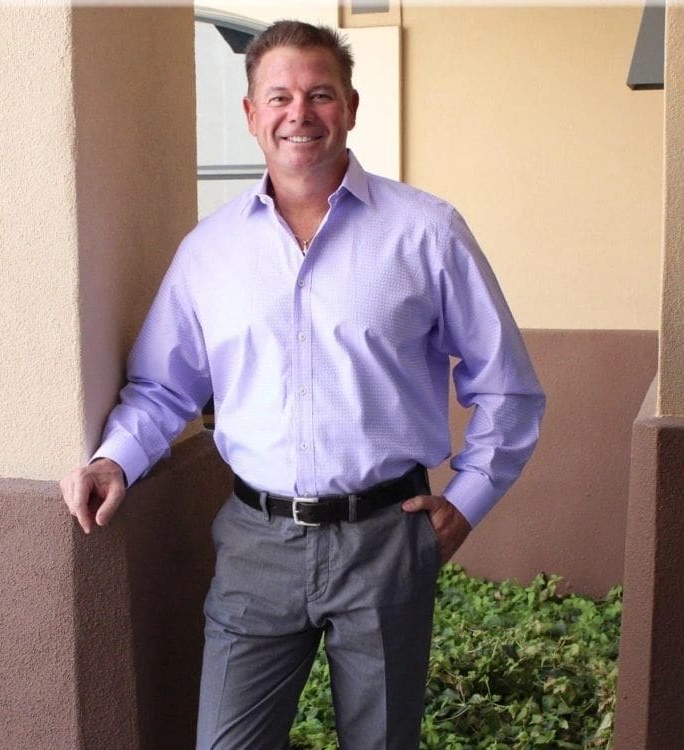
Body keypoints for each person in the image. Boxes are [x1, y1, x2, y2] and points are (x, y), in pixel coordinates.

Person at [60, 20, 545, 750]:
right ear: (252, 115)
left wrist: (469, 498)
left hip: (387, 539)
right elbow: (163, 387)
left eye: (320, 94)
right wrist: (114, 460)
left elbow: (506, 387)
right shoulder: (209, 254)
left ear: (350, 106)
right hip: (257, 544)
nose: (300, 113)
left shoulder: (427, 233)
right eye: (279, 96)